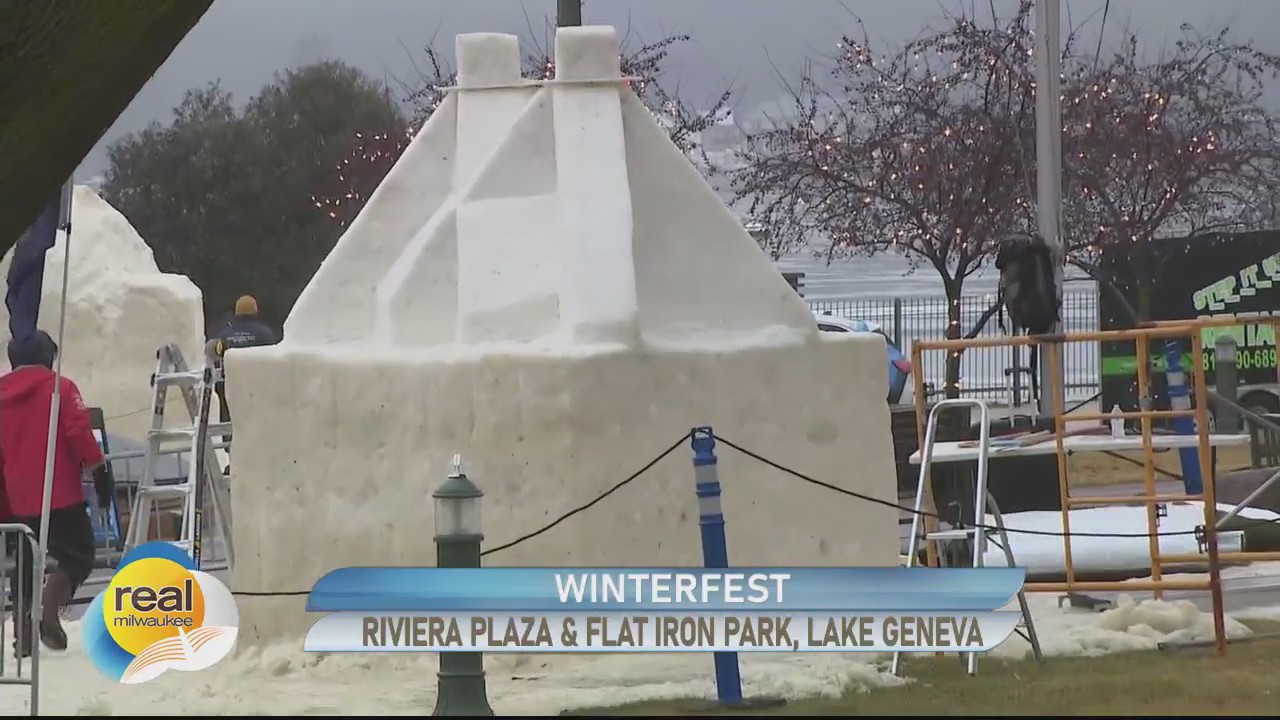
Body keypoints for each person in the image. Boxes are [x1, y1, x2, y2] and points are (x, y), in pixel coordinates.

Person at [0, 330, 104, 655]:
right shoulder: (60, 388)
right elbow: (77, 431)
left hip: (15, 495)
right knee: (79, 554)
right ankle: (49, 608)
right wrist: (98, 469)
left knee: (23, 563)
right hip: (58, 491)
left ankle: (23, 640)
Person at [212, 295, 278, 435]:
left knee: (231, 428)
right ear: (256, 311)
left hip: (229, 391)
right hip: (258, 392)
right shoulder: (265, 334)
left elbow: (216, 362)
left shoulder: (224, 336)